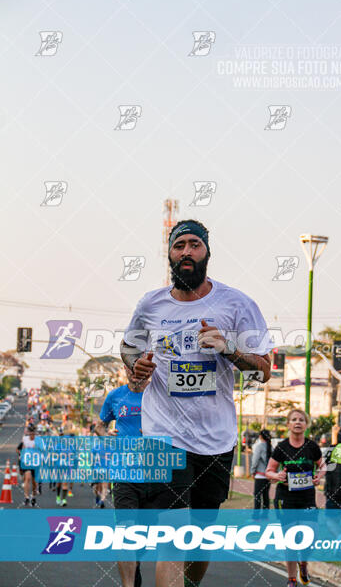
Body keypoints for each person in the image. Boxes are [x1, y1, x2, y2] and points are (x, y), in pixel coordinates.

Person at [120, 219, 272, 587]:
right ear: (169, 255)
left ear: (207, 252)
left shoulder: (236, 303)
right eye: (179, 245)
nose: (186, 251)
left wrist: (229, 349)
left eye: (194, 245)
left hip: (216, 437)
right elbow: (128, 349)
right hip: (163, 435)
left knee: (202, 538)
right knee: (172, 533)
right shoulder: (151, 304)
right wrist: (135, 365)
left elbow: (265, 369)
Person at [94, 365, 147, 587]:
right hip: (124, 472)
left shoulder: (158, 395)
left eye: (140, 368)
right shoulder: (115, 396)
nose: (135, 372)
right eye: (131, 368)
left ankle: (136, 570)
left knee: (143, 540)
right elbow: (99, 425)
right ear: (126, 369)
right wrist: (105, 434)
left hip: (155, 474)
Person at [266, 409, 325, 587]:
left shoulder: (312, 447)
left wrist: (319, 476)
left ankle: (303, 563)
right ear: (288, 425)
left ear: (306, 425)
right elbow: (269, 471)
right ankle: (291, 579)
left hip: (307, 498)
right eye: (294, 419)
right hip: (286, 498)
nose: (297, 422)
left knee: (311, 536)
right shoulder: (282, 448)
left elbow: (323, 465)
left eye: (301, 419)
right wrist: (277, 476)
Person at [17, 424, 39, 507]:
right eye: (31, 433)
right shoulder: (25, 439)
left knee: (34, 482)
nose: (32, 435)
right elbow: (19, 448)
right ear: (29, 433)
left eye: (33, 433)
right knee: (28, 478)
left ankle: (33, 496)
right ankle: (26, 497)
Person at [251, 429, 272, 511]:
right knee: (266, 496)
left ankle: (256, 516)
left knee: (257, 496)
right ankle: (265, 515)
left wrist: (252, 471)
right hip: (268, 476)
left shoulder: (259, 447)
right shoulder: (271, 447)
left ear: (260, 436)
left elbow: (255, 461)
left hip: (260, 476)